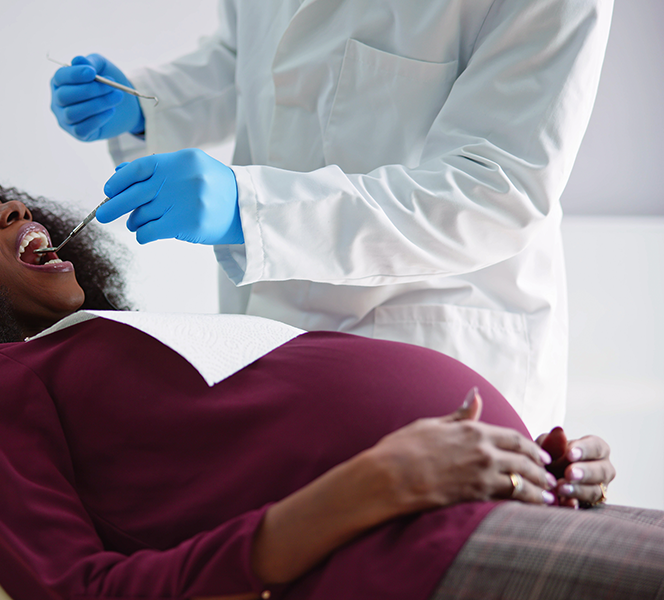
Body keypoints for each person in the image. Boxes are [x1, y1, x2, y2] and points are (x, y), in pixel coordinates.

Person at [0, 182, 661, 600]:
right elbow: (83, 593)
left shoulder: (107, 350)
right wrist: (374, 485)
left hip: (516, 514)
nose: (14, 208)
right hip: (413, 563)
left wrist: (549, 465)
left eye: (4, 197)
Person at [49, 0, 615, 438]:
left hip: (437, 341)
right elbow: (252, 55)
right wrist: (147, 103)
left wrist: (254, 211)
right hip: (266, 339)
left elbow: (494, 187)